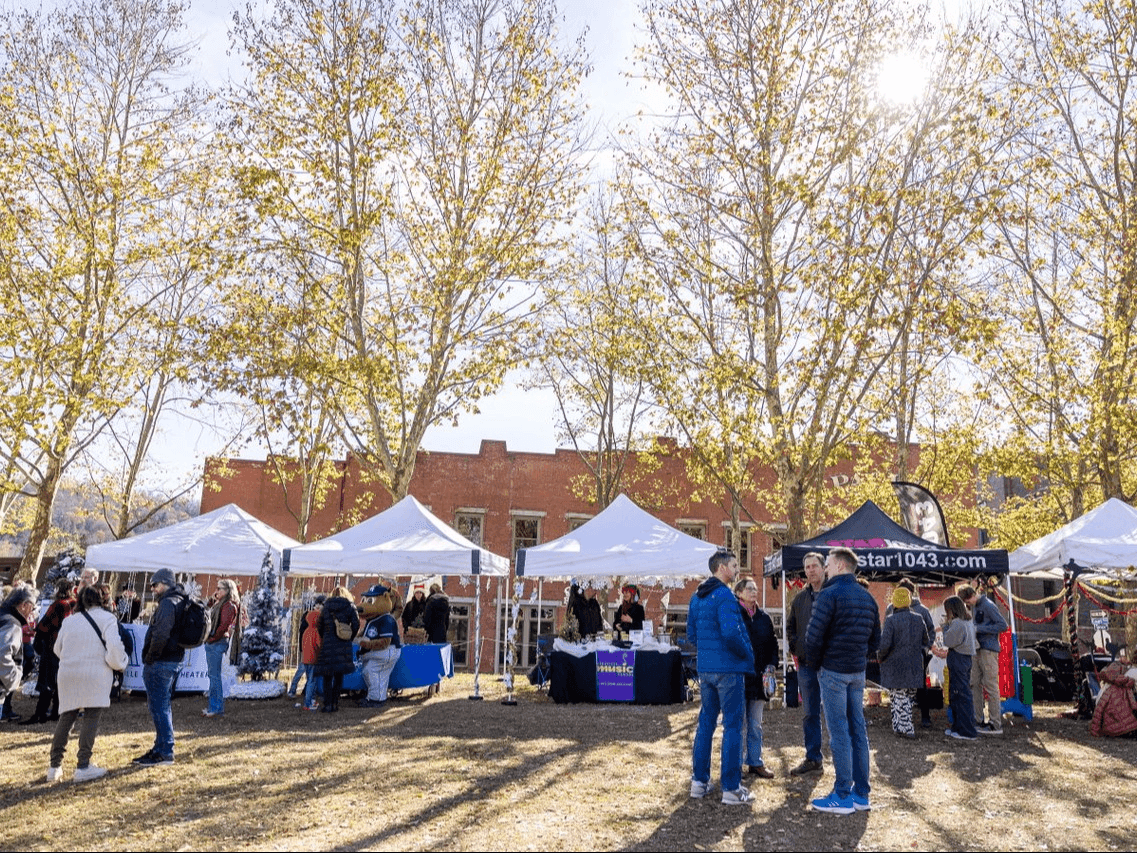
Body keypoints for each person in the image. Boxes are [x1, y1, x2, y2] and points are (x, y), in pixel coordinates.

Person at [805, 547, 880, 814]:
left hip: (834, 670)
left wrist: (815, 665)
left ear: (838, 566)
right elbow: (876, 641)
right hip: (856, 671)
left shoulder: (828, 595)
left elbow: (813, 638)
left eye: (827, 564)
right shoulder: (867, 598)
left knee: (839, 733)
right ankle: (861, 793)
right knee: (858, 729)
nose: (824, 568)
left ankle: (842, 794)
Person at [688, 549, 755, 806]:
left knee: (706, 723)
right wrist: (747, 653)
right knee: (733, 725)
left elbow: (692, 635)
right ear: (723, 567)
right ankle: (731, 787)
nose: (737, 570)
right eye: (735, 565)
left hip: (706, 669)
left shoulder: (697, 597)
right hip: (728, 669)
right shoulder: (725, 595)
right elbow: (731, 633)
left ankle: (699, 781)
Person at [48, 585, 129, 783]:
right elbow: (115, 647)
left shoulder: (70, 621)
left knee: (66, 718)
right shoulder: (108, 618)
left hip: (69, 672)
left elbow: (58, 648)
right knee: (91, 718)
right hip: (96, 673)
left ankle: (54, 766)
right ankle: (83, 765)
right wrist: (120, 664)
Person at [134, 568, 186, 767]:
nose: (153, 589)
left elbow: (161, 634)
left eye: (154, 585)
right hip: (173, 659)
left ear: (164, 583)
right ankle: (160, 747)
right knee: (162, 706)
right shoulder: (179, 600)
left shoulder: (167, 603)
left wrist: (150, 657)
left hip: (162, 661)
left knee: (159, 707)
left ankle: (165, 751)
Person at [786, 551, 826, 776]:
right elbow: (790, 626)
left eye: (814, 566)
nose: (810, 570)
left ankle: (844, 763)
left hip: (831, 664)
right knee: (810, 713)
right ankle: (813, 758)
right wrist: (795, 646)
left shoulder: (833, 594)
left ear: (823, 568)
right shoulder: (800, 599)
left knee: (836, 714)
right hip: (807, 665)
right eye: (807, 567)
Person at [734, 577, 778, 779]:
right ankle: (735, 764)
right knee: (738, 723)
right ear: (739, 593)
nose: (754, 591)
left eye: (755, 589)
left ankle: (755, 761)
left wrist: (772, 666)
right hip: (740, 678)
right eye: (749, 589)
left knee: (755, 723)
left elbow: (772, 645)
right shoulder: (734, 615)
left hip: (760, 679)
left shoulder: (764, 617)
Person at [21, 579, 76, 726]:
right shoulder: (74, 604)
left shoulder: (59, 605)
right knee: (60, 682)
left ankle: (40, 714)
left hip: (52, 647)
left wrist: (39, 641)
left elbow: (44, 626)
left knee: (47, 682)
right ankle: (56, 712)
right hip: (67, 648)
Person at [885, 578, 937, 728]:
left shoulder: (922, 610)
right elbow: (887, 630)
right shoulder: (891, 608)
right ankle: (900, 719)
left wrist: (925, 648)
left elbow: (930, 631)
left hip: (916, 654)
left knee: (920, 686)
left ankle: (923, 717)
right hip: (899, 654)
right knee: (900, 687)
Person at [878, 587, 929, 739]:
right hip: (914, 665)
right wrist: (922, 652)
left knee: (899, 697)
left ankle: (906, 728)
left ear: (894, 602)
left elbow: (885, 644)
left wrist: (880, 656)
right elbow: (926, 640)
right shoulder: (919, 618)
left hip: (895, 665)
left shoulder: (891, 620)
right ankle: (898, 726)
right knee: (906, 697)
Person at [958, 582, 1008, 735]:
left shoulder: (988, 606)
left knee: (991, 686)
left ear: (972, 596)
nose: (967, 605)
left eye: (967, 602)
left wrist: (979, 629)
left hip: (988, 649)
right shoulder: (974, 606)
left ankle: (995, 723)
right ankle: (977, 718)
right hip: (977, 649)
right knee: (974, 684)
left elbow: (1003, 625)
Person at [932, 594, 978, 741]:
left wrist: (945, 627)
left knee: (960, 695)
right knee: (960, 694)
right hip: (964, 659)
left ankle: (965, 731)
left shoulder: (958, 623)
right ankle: (960, 728)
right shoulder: (968, 622)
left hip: (958, 660)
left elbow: (948, 641)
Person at [357, 585, 403, 709]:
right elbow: (364, 633)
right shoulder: (373, 619)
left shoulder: (387, 619)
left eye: (370, 601)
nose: (365, 605)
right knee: (379, 675)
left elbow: (385, 642)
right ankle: (378, 698)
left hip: (387, 651)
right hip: (382, 651)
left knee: (371, 671)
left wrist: (366, 644)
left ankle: (375, 699)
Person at [315, 586, 359, 713]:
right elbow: (356, 624)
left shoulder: (326, 607)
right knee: (339, 675)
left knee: (327, 677)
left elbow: (319, 625)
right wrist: (349, 637)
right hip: (343, 645)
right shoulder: (350, 606)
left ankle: (327, 704)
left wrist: (326, 636)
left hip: (328, 644)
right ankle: (335, 703)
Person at [203, 579, 241, 718]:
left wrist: (212, 639)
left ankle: (216, 708)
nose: (217, 591)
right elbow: (208, 610)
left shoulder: (229, 606)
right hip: (214, 641)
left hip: (217, 642)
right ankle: (213, 706)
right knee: (213, 676)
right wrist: (212, 599)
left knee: (214, 677)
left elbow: (223, 626)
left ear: (227, 590)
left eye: (219, 588)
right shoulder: (219, 604)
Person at [1, 585, 38, 719]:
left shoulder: (3, 616)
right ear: (24, 605)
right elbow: (2, 655)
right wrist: (13, 680)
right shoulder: (11, 624)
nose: (32, 612)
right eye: (32, 608)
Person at [295, 596, 325, 710]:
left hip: (305, 659)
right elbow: (319, 645)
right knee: (312, 681)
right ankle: (308, 703)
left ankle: (311, 700)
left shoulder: (306, 631)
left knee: (309, 679)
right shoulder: (315, 631)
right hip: (313, 659)